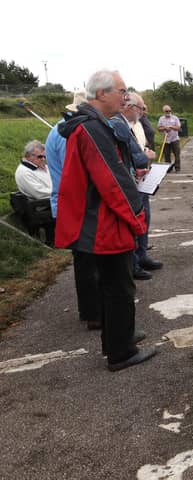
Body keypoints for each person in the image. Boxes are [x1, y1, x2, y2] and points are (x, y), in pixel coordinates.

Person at [55, 69, 156, 372]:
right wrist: (137, 215)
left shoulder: (89, 125)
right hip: (104, 223)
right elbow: (111, 180)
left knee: (113, 285)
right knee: (119, 287)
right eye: (122, 91)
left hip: (98, 219)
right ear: (101, 94)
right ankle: (121, 352)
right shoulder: (92, 129)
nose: (126, 98)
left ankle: (118, 337)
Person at [45, 90, 103, 330]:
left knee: (86, 262)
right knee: (88, 262)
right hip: (76, 206)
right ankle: (93, 313)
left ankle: (91, 310)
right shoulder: (70, 132)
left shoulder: (61, 128)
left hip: (70, 205)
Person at [111, 92, 162, 280]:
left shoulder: (129, 125)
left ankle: (141, 257)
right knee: (136, 222)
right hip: (132, 184)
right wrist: (146, 156)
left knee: (144, 220)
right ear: (131, 107)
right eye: (141, 109)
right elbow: (130, 157)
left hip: (138, 180)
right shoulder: (119, 125)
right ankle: (134, 263)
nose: (142, 113)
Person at [157, 104, 181, 171]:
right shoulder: (161, 119)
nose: (168, 112)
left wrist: (171, 127)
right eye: (166, 111)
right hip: (166, 140)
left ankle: (177, 168)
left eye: (169, 111)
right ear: (164, 111)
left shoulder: (175, 118)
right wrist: (164, 128)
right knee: (167, 155)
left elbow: (178, 128)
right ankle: (168, 168)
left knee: (177, 154)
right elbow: (158, 128)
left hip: (175, 139)